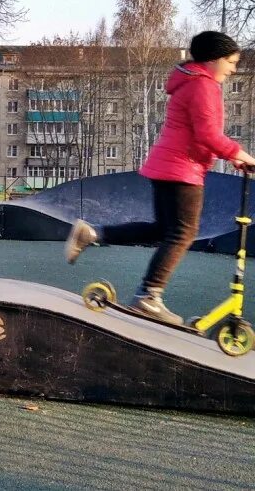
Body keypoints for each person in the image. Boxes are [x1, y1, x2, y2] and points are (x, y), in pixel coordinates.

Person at [65, 31, 255, 324]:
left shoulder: (189, 81)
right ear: (215, 59)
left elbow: (200, 133)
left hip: (168, 166)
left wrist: (231, 155)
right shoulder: (203, 86)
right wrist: (239, 154)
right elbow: (207, 134)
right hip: (182, 170)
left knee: (163, 229)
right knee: (183, 232)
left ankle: (92, 233)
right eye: (230, 62)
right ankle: (149, 296)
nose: (233, 69)